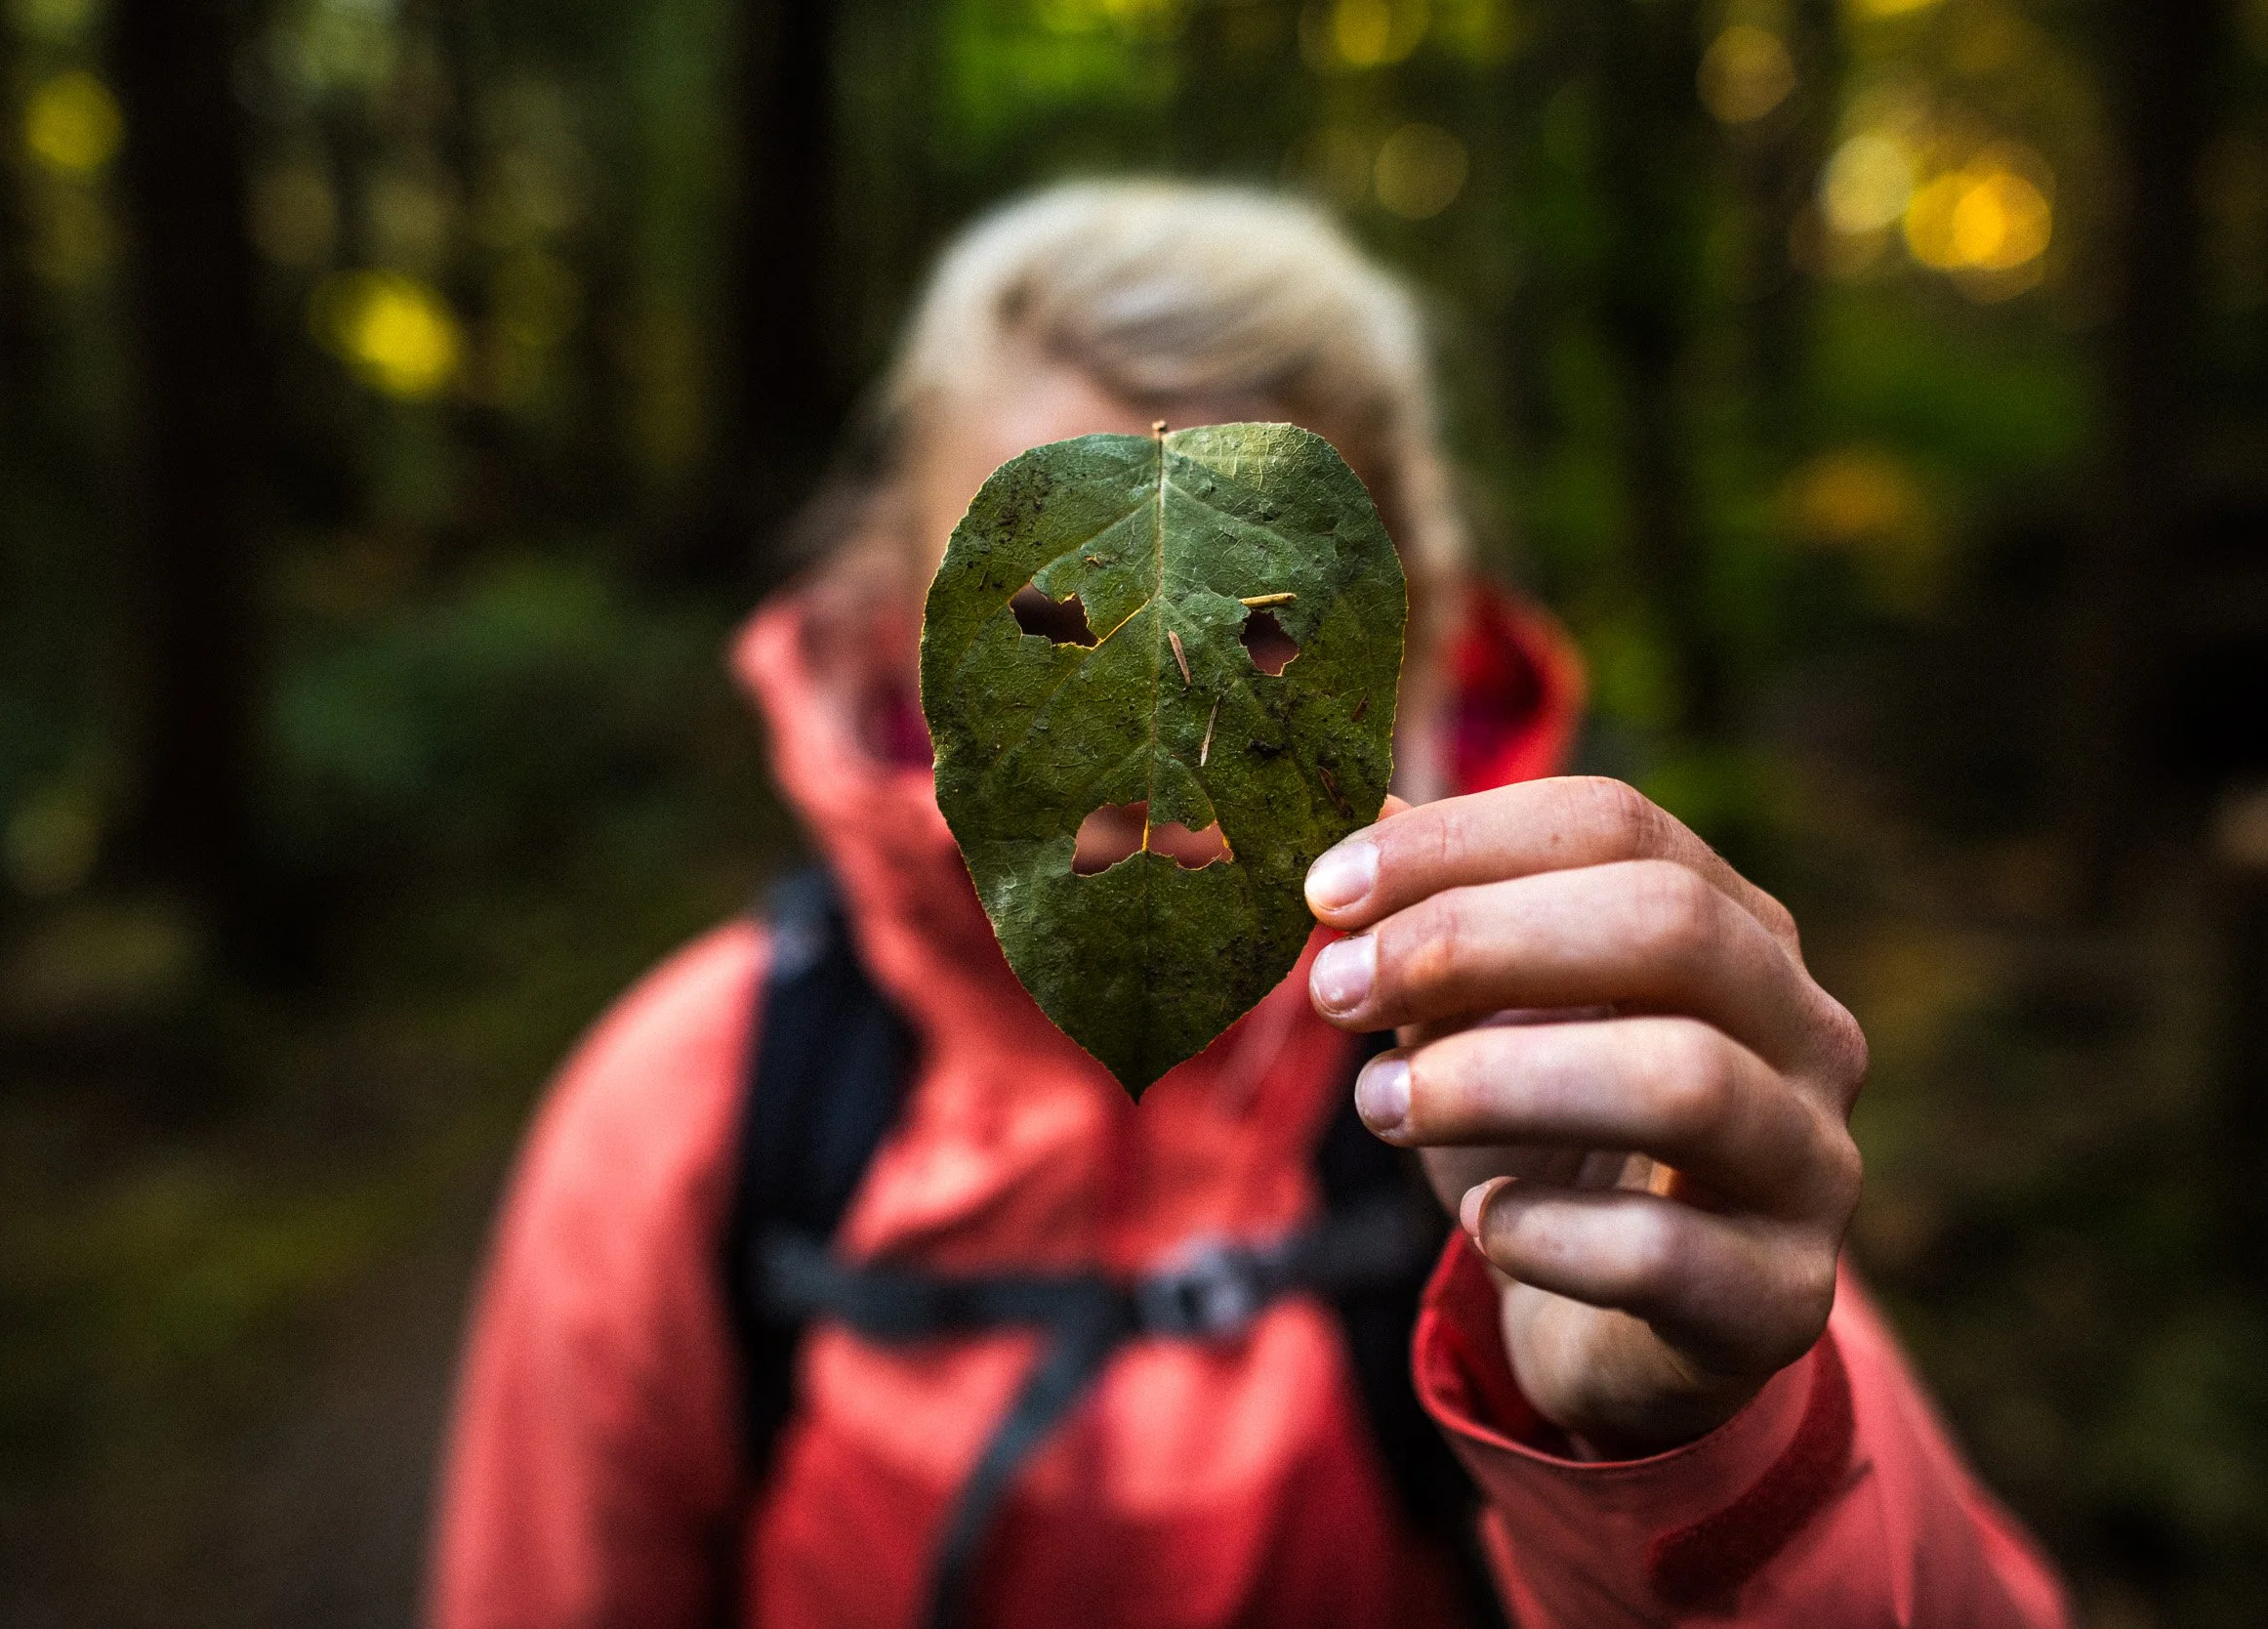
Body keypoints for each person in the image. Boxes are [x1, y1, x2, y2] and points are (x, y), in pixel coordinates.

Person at [428, 181, 2069, 1629]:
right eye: (1055, 620)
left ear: (1412, 635)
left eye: (1271, 633)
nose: (1163, 746)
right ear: (894, 622)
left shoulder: (1561, 1077)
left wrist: (1694, 1456)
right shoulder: (698, 1114)